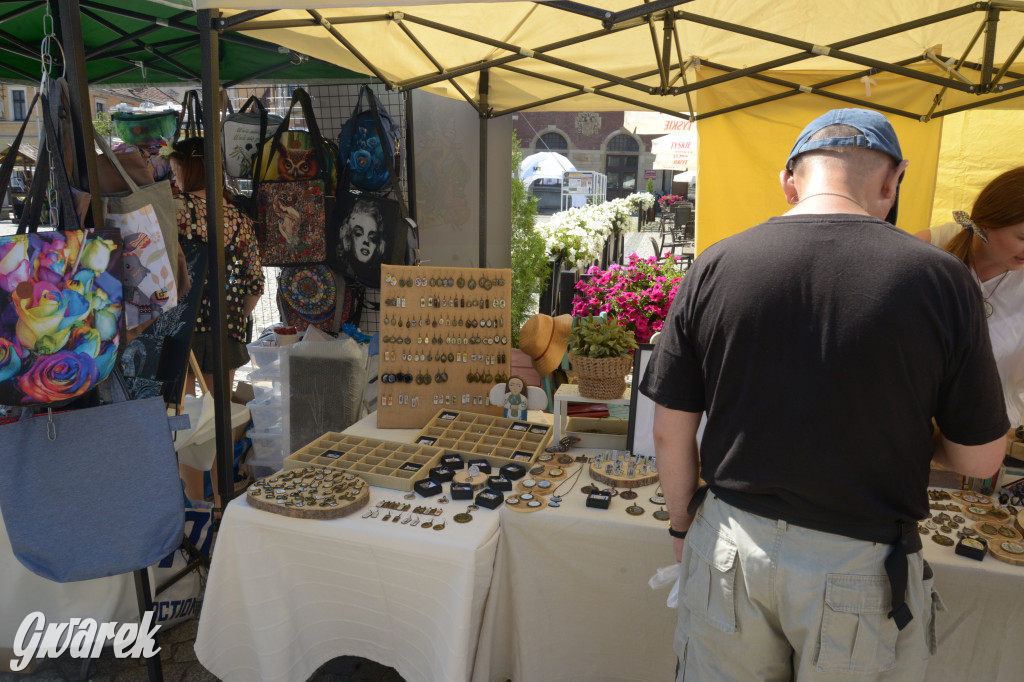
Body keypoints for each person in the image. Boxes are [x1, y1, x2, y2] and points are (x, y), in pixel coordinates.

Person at [640, 108, 1008, 681]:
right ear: (892, 182)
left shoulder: (715, 263)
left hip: (731, 545)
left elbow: (670, 428)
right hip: (860, 561)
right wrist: (905, 430)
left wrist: (681, 528)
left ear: (789, 180)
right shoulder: (942, 280)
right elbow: (981, 458)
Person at [168, 136, 264, 503]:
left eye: (176, 167)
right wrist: (233, 318)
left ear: (188, 167)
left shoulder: (173, 208)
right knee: (216, 418)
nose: (174, 174)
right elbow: (255, 283)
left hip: (176, 327)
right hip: (223, 330)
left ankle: (191, 504)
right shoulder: (238, 220)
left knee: (183, 421)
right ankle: (222, 504)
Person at [914, 167, 1024, 427]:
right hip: (917, 421)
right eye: (1023, 237)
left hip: (991, 428)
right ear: (987, 222)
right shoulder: (925, 251)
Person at [337, 197, 386, 284]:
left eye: (372, 238)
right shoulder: (337, 273)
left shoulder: (379, 279)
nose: (366, 241)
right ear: (347, 238)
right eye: (359, 233)